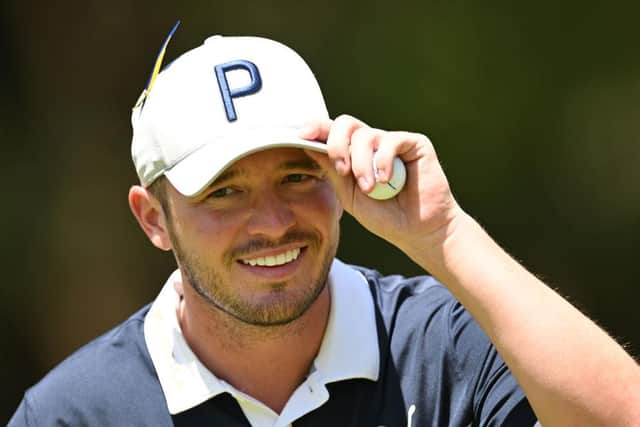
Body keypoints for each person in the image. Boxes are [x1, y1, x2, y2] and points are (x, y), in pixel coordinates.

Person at [9, 27, 640, 427]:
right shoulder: (74, 413)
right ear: (155, 220)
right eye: (224, 191)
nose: (273, 223)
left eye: (297, 177)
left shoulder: (442, 348)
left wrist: (443, 234)